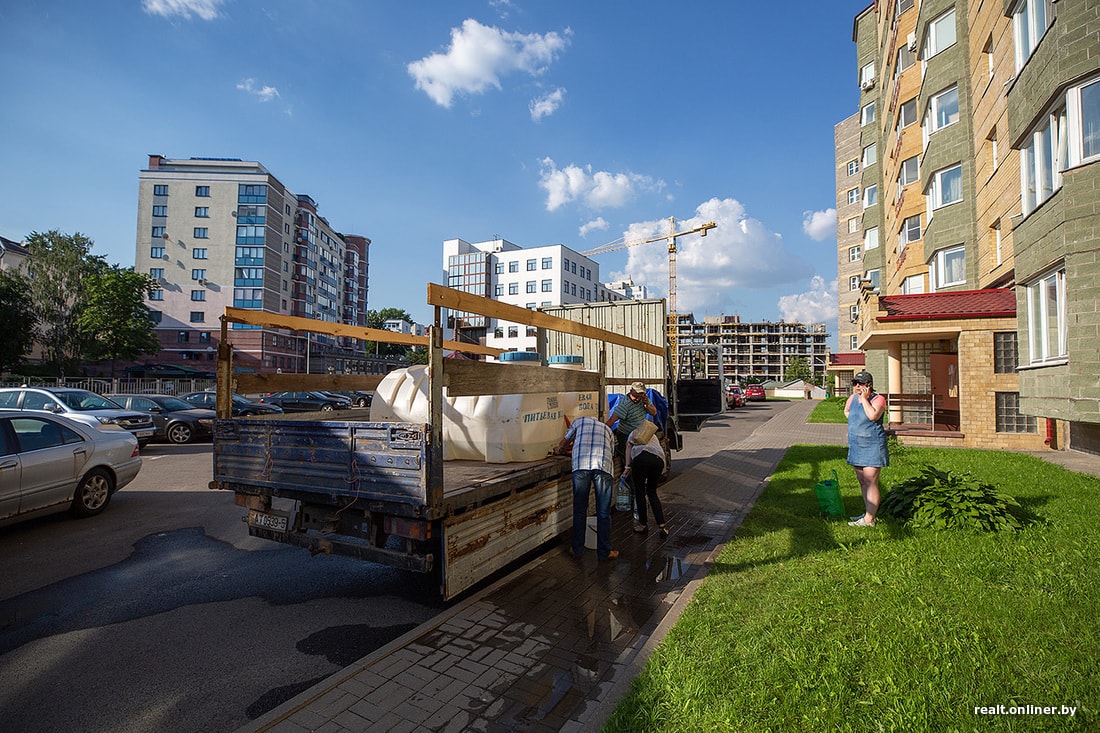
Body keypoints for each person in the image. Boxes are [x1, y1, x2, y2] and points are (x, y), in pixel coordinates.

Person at [554, 416, 619, 560]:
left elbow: (564, 442)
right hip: (603, 466)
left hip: (581, 466)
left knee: (580, 510)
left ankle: (577, 549)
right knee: (603, 512)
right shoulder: (607, 429)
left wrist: (558, 449)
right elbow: (612, 451)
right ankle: (605, 552)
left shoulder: (579, 421)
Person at [844, 370, 888, 526]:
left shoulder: (879, 399)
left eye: (860, 384)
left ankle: (870, 519)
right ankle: (867, 513)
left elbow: (872, 416)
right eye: (855, 383)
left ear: (869, 385)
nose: (857, 386)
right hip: (856, 444)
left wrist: (864, 399)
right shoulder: (852, 398)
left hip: (872, 445)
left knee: (871, 481)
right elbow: (847, 411)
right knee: (862, 480)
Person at [623, 425, 668, 537]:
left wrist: (627, 468)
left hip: (641, 459)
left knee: (640, 492)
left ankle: (643, 525)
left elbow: (629, 447)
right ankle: (662, 526)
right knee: (652, 492)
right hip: (658, 460)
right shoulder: (653, 435)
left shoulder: (633, 433)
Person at [606, 381, 658, 469]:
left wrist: (647, 406)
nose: (637, 399)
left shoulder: (644, 400)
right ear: (631, 392)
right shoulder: (625, 404)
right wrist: (602, 431)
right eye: (635, 396)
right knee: (628, 459)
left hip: (640, 433)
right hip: (626, 434)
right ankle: (628, 476)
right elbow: (612, 419)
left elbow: (654, 412)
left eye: (640, 396)